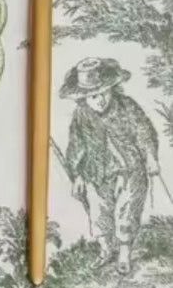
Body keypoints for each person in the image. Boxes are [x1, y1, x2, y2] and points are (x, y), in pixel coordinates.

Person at [62, 58, 161, 275]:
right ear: (83, 98)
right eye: (93, 96)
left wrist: (151, 157)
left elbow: (144, 132)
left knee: (127, 210)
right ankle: (106, 250)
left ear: (112, 90)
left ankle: (124, 251)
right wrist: (77, 175)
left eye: (104, 94)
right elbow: (76, 145)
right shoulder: (81, 116)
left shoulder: (127, 107)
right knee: (99, 212)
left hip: (130, 168)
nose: (99, 101)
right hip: (97, 172)